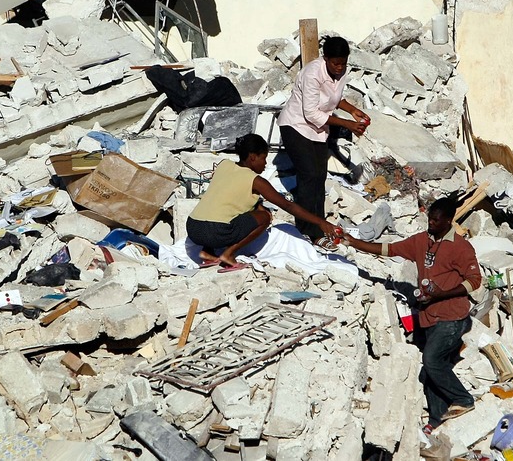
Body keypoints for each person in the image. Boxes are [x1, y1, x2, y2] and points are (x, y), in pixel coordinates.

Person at [340, 195, 480, 433]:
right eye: (429, 219)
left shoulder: (461, 247)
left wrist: (442, 294)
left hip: (451, 317)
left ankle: (464, 399)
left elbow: (474, 281)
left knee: (432, 361)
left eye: (436, 220)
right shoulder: (422, 241)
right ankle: (437, 418)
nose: (431, 224)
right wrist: (353, 242)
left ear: (448, 220)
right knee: (432, 369)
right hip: (429, 316)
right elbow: (390, 249)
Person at [186, 134, 343, 271]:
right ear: (253, 157)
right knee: (265, 217)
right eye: (264, 158)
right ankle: (228, 254)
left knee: (219, 210)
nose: (265, 164)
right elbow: (288, 205)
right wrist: (320, 222)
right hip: (215, 231)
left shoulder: (224, 165)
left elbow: (227, 196)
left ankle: (207, 253)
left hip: (193, 228)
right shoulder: (256, 180)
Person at [278, 35, 369, 250]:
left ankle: (317, 223)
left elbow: (334, 99)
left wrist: (353, 111)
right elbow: (310, 113)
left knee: (319, 176)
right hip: (296, 126)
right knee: (308, 175)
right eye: (335, 63)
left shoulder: (341, 71)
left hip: (318, 130)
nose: (339, 68)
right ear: (325, 58)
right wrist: (347, 124)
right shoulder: (311, 73)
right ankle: (310, 230)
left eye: (343, 64)